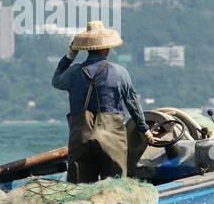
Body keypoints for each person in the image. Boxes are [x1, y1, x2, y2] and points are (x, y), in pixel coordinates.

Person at [52, 20, 152, 182]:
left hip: (81, 136)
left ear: (86, 49)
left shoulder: (73, 72)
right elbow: (132, 104)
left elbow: (56, 81)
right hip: (111, 136)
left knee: (80, 185)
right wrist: (144, 130)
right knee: (115, 185)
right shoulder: (120, 73)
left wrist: (69, 57)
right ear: (107, 48)